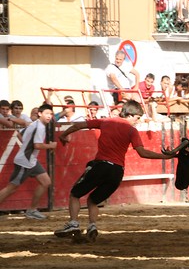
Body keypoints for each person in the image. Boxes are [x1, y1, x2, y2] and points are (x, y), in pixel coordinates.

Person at [53, 100, 177, 241]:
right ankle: (92, 226)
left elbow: (79, 125)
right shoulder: (131, 130)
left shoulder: (106, 122)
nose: (137, 121)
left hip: (101, 166)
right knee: (93, 200)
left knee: (75, 194)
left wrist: (64, 135)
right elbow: (143, 153)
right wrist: (165, 157)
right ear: (129, 115)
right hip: (117, 172)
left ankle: (73, 223)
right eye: (137, 118)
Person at [0, 104, 58, 220]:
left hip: (30, 160)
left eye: (50, 114)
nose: (49, 116)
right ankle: (32, 210)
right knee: (11, 188)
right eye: (46, 113)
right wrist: (50, 145)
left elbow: (21, 135)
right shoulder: (40, 127)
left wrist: (26, 147)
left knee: (46, 182)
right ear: (40, 114)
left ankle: (32, 210)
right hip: (25, 161)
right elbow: (37, 145)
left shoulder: (35, 124)